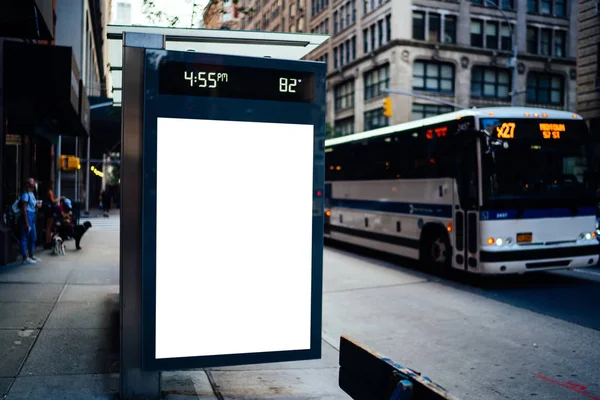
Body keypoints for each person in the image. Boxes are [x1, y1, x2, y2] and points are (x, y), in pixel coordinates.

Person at [20, 177, 41, 264]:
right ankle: (25, 257)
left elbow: (33, 205)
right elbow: (24, 209)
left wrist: (38, 205)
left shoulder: (32, 194)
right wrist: (26, 222)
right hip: (28, 215)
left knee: (33, 237)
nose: (34, 182)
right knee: (25, 236)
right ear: (28, 184)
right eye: (32, 181)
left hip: (32, 215)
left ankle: (31, 255)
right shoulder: (25, 195)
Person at [43, 181, 65, 249]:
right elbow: (53, 201)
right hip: (50, 210)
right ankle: (47, 242)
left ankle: (49, 241)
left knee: (49, 227)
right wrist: (60, 198)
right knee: (48, 227)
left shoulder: (50, 192)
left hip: (51, 210)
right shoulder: (49, 192)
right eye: (52, 184)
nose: (53, 186)